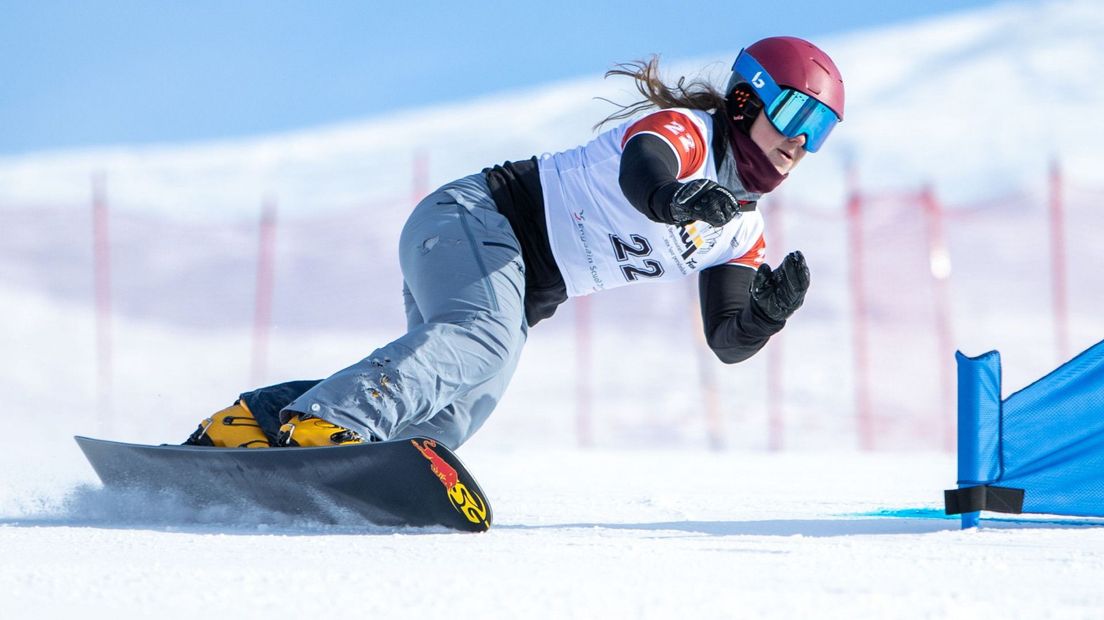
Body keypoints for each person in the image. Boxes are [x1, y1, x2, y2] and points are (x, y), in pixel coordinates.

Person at [184, 36, 845, 451]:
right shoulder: (687, 132)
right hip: (474, 220)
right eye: (794, 113)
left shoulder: (742, 232)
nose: (801, 141)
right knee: (478, 347)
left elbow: (727, 342)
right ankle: (324, 422)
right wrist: (676, 199)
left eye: (820, 129)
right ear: (742, 102)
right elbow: (643, 168)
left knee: (448, 418)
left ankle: (255, 422)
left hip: (513, 281)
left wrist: (763, 318)